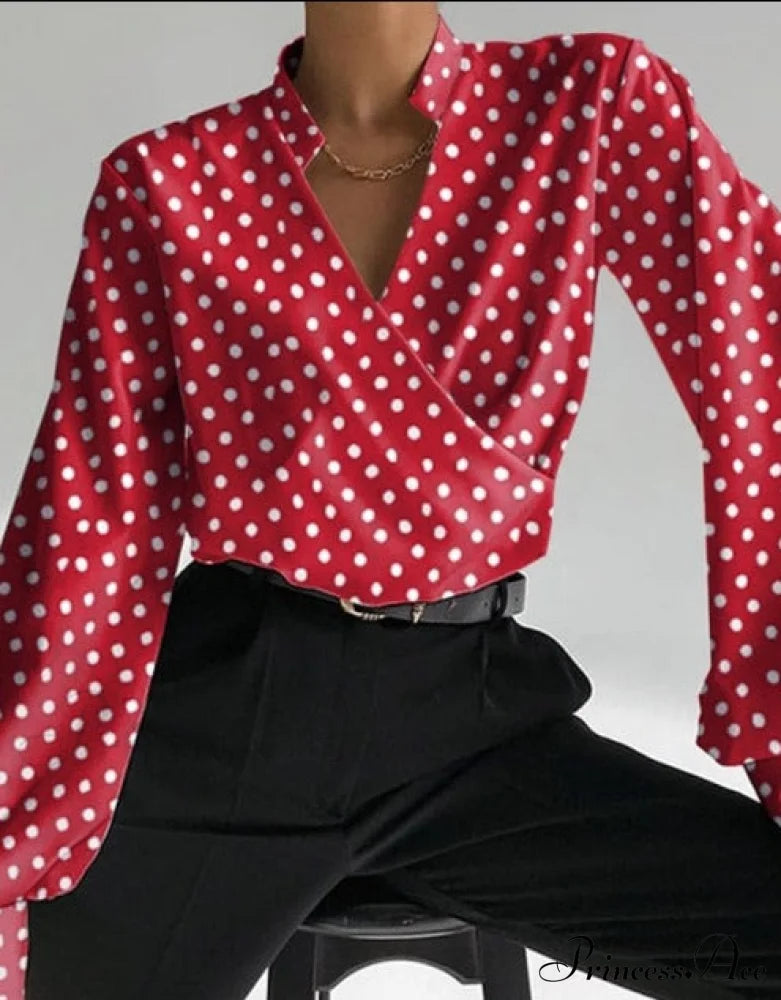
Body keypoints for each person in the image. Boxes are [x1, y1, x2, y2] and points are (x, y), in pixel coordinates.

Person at [0, 2, 778, 998]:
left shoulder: (585, 104)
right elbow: (95, 519)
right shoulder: (169, 180)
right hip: (235, 704)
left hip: (471, 713)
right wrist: (27, 798)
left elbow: (759, 371)